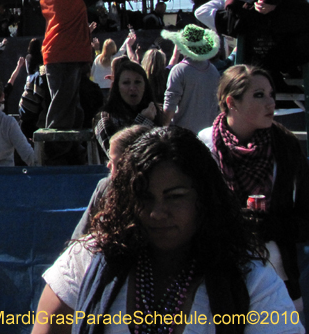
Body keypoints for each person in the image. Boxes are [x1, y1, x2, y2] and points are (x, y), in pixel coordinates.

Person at [32, 126, 300, 334]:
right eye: (145, 197)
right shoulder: (87, 259)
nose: (157, 213)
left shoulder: (252, 281)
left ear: (204, 198)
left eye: (175, 196)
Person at [199, 64, 309, 306]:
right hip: (223, 279)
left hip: (280, 280)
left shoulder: (286, 145)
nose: (271, 103)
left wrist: (275, 227)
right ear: (231, 102)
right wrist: (234, 223)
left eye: (271, 94)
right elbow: (194, 215)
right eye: (259, 95)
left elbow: (305, 216)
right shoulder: (204, 146)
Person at [22, 0, 112, 131]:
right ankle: (57, 154)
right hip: (78, 54)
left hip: (55, 55)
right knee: (65, 110)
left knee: (67, 107)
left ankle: (69, 151)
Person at [70, 124, 149, 239]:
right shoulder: (105, 187)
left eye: (113, 161)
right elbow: (78, 238)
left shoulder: (152, 196)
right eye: (108, 159)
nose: (108, 165)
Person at [93, 60, 165, 159]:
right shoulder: (105, 118)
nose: (132, 88)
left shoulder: (154, 112)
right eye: (126, 83)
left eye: (137, 82)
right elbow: (116, 156)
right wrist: (143, 122)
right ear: (117, 87)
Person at [161, 24, 221, 134]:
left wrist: (162, 131)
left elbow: (170, 106)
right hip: (208, 135)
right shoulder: (213, 71)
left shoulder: (179, 70)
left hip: (182, 135)